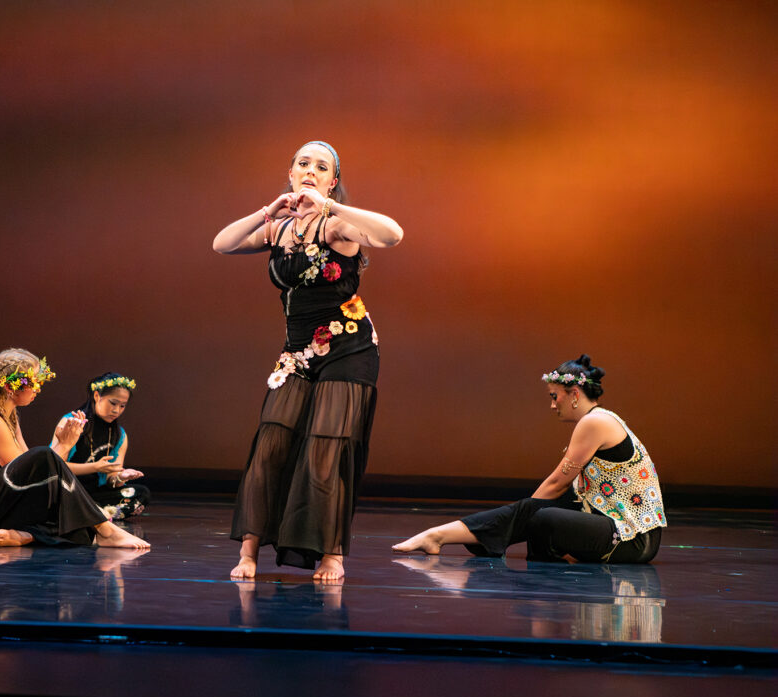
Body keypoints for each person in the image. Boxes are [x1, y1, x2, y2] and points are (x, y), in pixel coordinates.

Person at [213, 140, 404, 581]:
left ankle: (332, 555)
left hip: (349, 350)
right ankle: (248, 554)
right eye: (303, 164)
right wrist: (268, 211)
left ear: (332, 182)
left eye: (322, 167)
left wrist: (330, 208)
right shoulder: (278, 231)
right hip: (297, 355)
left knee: (326, 451)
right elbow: (222, 243)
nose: (310, 171)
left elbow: (392, 234)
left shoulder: (338, 228)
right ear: (291, 173)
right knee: (270, 447)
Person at [393, 355, 666, 563]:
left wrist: (525, 513)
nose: (552, 405)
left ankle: (440, 535)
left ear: (574, 394)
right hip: (609, 521)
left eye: (554, 396)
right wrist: (523, 512)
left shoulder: (595, 422)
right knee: (540, 511)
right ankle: (437, 535)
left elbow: (558, 482)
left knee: (542, 517)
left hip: (633, 540)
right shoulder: (599, 420)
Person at [0, 348, 150, 550]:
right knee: (47, 468)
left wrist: (61, 443)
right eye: (34, 383)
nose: (38, 389)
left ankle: (26, 536)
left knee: (67, 513)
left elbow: (32, 472)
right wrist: (65, 444)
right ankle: (105, 530)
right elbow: (25, 475)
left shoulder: (9, 416)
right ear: (11, 387)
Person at [53, 372, 150, 521]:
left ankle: (90, 513)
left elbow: (111, 479)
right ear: (97, 396)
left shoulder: (119, 434)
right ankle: (94, 514)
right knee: (60, 493)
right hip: (68, 489)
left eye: (122, 405)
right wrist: (95, 467)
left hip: (93, 493)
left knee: (141, 493)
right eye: (113, 403)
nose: (117, 410)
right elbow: (55, 466)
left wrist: (120, 477)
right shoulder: (72, 423)